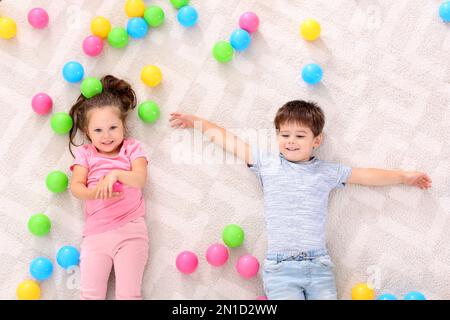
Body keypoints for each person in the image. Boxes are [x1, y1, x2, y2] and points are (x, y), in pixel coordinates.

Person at [169, 100, 432, 300]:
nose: (291, 142)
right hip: (280, 268)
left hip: (318, 265)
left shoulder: (327, 172)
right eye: (285, 135)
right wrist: (198, 123)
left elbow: (364, 175)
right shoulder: (268, 164)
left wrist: (403, 176)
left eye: (300, 136)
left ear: (317, 140)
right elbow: (231, 142)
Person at [69, 75, 149, 300]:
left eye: (113, 127)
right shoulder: (85, 153)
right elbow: (76, 187)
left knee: (129, 295)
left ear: (124, 125)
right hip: (95, 235)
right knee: (90, 295)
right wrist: (94, 192)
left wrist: (115, 174)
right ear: (87, 132)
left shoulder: (132, 149)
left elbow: (140, 179)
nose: (106, 136)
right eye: (98, 131)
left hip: (131, 232)